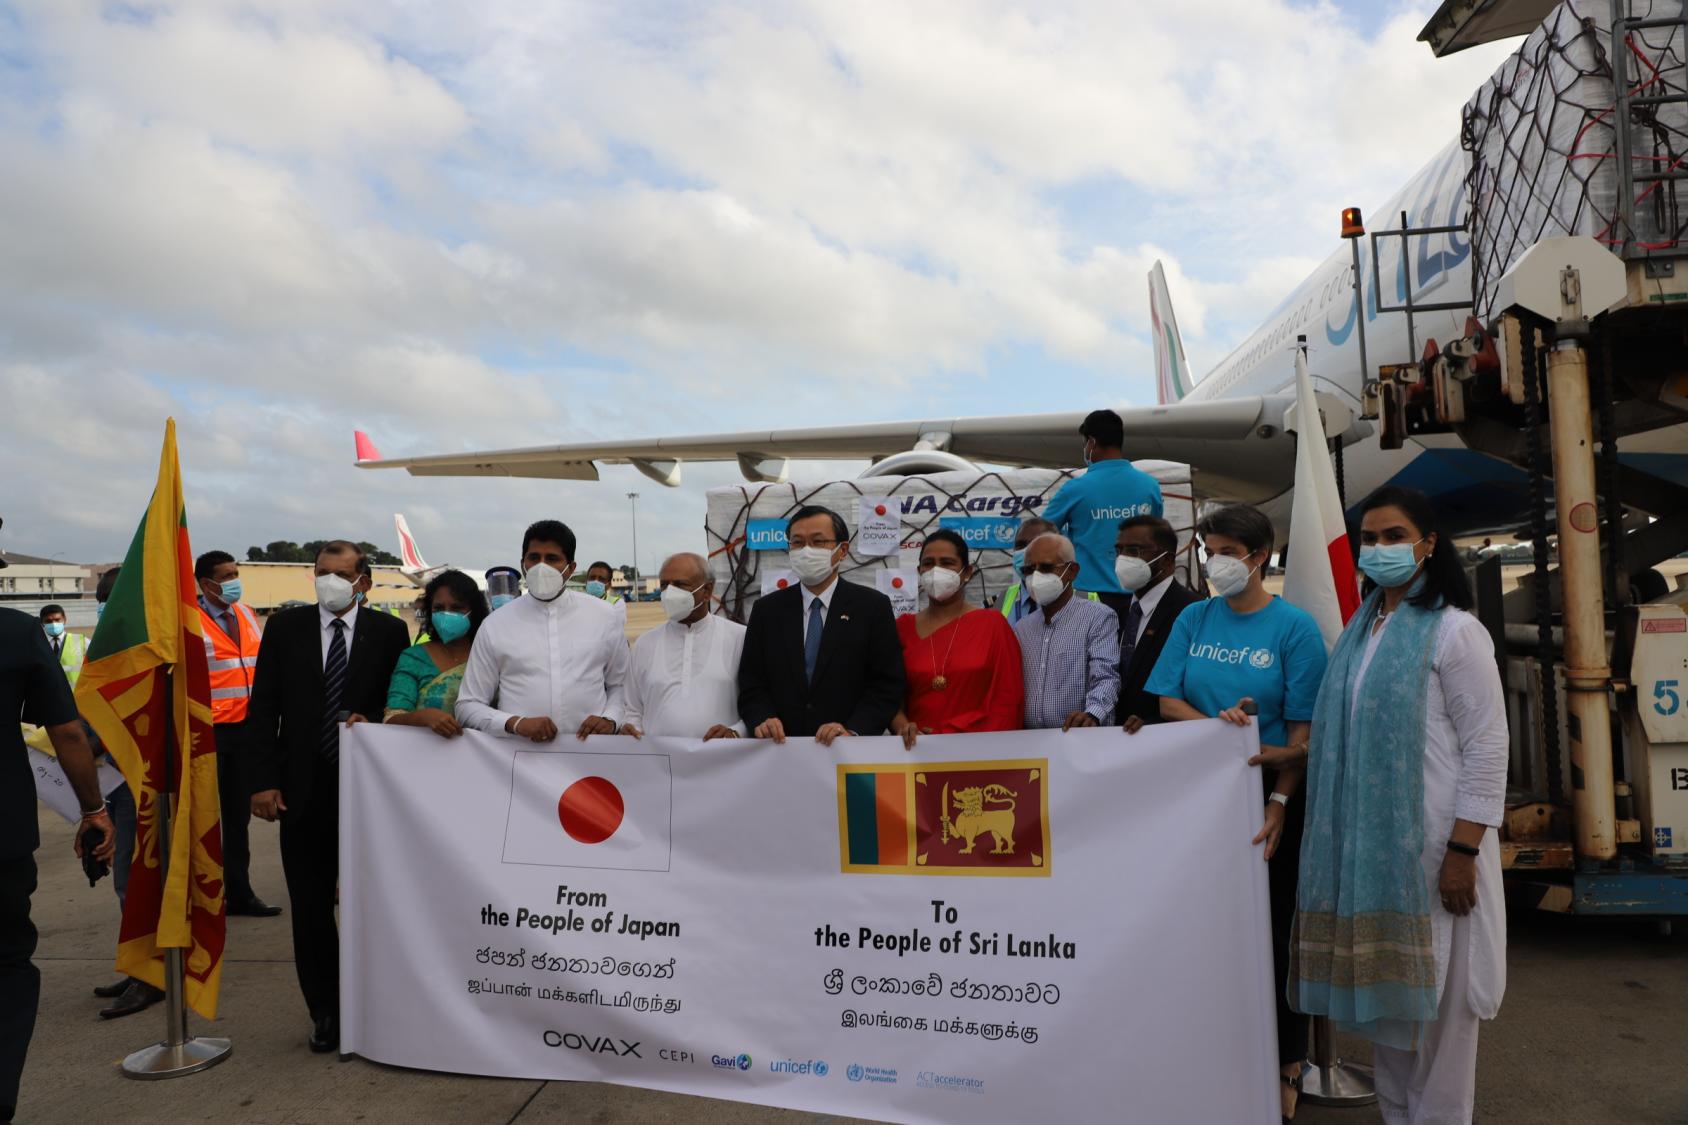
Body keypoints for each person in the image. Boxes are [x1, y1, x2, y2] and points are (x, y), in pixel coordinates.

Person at [1291, 487, 1508, 1125]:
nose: (1379, 549)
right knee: (1390, 1024)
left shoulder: (1455, 632)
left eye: (1393, 536)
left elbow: (1488, 749)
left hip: (1440, 852)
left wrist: (1463, 852)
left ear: (1428, 544)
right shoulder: (1362, 633)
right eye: (1370, 538)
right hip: (1374, 860)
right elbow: (1347, 737)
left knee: (1442, 1028)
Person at [1143, 503, 1328, 1119]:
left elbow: (1302, 731)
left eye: (1227, 551)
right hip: (1195, 800)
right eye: (1208, 548)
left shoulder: (1295, 629)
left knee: (1273, 935)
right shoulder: (1194, 618)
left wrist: (1278, 801)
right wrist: (1222, 732)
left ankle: (1285, 1063)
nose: (1214, 561)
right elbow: (1166, 699)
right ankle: (1210, 1053)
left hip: (1268, 800)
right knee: (1200, 931)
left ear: (1260, 558)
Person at [246, 541, 409, 1053]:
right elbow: (263, 707)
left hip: (367, 793)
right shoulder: (285, 628)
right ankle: (326, 1010)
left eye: (341, 574)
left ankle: (379, 1002)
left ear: (364, 580)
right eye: (322, 573)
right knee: (311, 907)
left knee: (374, 903)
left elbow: (394, 705)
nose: (329, 582)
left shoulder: (389, 631)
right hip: (301, 791)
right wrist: (261, 780)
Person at [2, 605, 116, 1123]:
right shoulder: (16, 630)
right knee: (6, 965)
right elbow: (68, 733)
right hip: (1, 836)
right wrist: (93, 809)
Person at [737, 505, 905, 745]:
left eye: (818, 542)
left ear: (842, 549)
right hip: (780, 751)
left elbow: (886, 685)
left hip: (848, 756)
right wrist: (762, 719)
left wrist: (853, 730)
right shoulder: (767, 610)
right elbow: (752, 683)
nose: (806, 551)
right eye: (797, 543)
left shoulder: (872, 607)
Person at [457, 521, 629, 744]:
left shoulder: (604, 616)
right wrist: (515, 723)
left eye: (552, 559)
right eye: (534, 557)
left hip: (589, 757)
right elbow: (467, 705)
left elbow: (622, 685)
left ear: (571, 568)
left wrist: (611, 719)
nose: (541, 566)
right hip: (520, 760)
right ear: (523, 564)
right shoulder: (495, 624)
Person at [192, 550, 281, 921]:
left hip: (245, 730)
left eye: (235, 573)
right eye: (226, 576)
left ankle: (239, 894)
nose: (233, 581)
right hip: (207, 732)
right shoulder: (190, 621)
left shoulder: (246, 613)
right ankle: (200, 900)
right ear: (205, 583)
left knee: (236, 818)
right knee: (201, 819)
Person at [890, 530, 1023, 748]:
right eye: (928, 563)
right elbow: (887, 694)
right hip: (916, 752)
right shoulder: (902, 628)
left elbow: (1008, 701)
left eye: (947, 563)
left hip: (978, 752)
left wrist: (951, 736)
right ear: (919, 571)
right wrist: (903, 727)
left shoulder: (993, 625)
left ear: (967, 572)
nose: (936, 570)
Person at [1041, 408, 1164, 620]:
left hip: (1088, 597)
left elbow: (1040, 535)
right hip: (1140, 595)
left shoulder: (1075, 489)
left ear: (1092, 442)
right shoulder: (1150, 487)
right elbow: (1160, 539)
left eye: (1085, 443)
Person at [621, 553, 745, 740]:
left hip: (722, 761)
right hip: (660, 763)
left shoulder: (740, 637)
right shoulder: (645, 643)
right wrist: (632, 727)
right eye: (664, 585)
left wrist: (737, 732)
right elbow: (632, 707)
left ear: (707, 591)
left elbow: (757, 703)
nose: (669, 593)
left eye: (680, 585)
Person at [1012, 533, 1120, 730]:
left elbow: (1107, 677)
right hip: (1030, 745)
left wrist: (1092, 714)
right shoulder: (1022, 628)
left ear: (1072, 571)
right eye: (1029, 570)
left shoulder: (1098, 617)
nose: (1036, 577)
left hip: (1080, 739)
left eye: (1046, 568)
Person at [1113, 515, 1201, 732]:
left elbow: (1196, 687)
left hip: (1165, 742)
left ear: (1167, 560)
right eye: (1119, 550)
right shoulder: (1117, 611)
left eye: (1134, 550)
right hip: (1112, 742)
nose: (1123, 559)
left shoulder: (1193, 611)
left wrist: (1154, 723)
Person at [384, 570, 488, 738]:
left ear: (474, 611)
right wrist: (422, 717)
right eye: (438, 608)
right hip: (426, 758)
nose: (447, 614)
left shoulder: (490, 656)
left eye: (457, 608)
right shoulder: (414, 657)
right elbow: (391, 720)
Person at [996, 517, 1056, 623]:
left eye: (1037, 544)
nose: (1027, 552)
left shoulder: (1087, 601)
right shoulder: (996, 605)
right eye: (1021, 546)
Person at [37, 606, 88, 685]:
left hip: (75, 694)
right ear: (42, 623)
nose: (53, 624)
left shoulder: (82, 641)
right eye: (48, 621)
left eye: (57, 620)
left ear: (64, 620)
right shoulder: (36, 644)